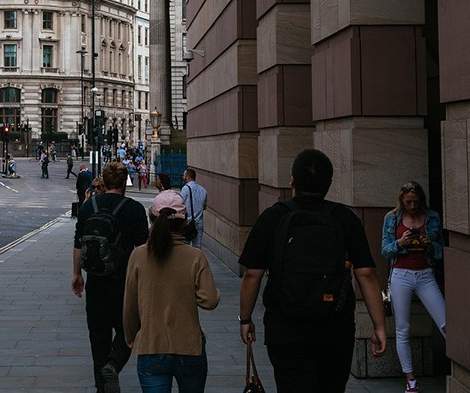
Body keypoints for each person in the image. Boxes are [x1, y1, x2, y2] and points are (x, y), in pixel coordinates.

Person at [238, 148, 387, 393]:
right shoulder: (344, 218)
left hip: (285, 328)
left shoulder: (273, 217)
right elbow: (367, 274)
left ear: (292, 180)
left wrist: (245, 319)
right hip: (335, 328)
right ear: (329, 183)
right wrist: (379, 326)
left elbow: (252, 274)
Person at [124, 190, 220, 393]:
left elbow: (130, 304)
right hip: (189, 348)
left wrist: (131, 335)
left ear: (152, 220)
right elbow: (210, 301)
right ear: (184, 223)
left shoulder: (139, 255)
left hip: (151, 346)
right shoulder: (195, 256)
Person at [72, 161, 149, 393]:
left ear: (104, 182)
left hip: (95, 281)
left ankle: (102, 387)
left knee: (98, 336)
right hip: (124, 283)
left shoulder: (88, 207)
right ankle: (114, 363)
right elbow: (142, 249)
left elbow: (78, 244)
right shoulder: (134, 209)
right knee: (130, 328)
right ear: (125, 181)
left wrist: (77, 274)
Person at [380, 181, 445, 393]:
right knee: (403, 328)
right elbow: (385, 250)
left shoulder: (432, 218)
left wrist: (429, 244)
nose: (413, 206)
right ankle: (410, 380)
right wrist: (400, 243)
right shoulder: (392, 218)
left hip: (426, 274)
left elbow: (440, 252)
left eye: (416, 202)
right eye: (408, 202)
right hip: (401, 275)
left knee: (446, 324)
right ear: (402, 201)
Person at [180, 169, 207, 248]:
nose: (183, 177)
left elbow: (181, 204)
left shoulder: (185, 188)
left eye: (184, 175)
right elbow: (204, 207)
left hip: (188, 222)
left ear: (187, 177)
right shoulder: (203, 190)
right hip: (199, 222)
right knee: (197, 247)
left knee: (185, 246)